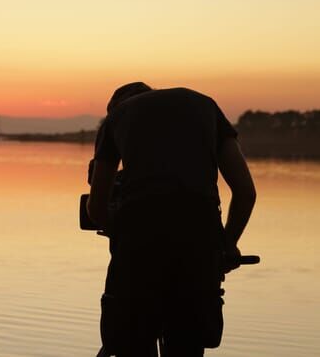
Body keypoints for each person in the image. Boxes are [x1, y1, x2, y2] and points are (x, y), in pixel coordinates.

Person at [87, 82, 256, 356]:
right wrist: (227, 244)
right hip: (198, 248)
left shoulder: (116, 118)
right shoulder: (205, 106)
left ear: (115, 107)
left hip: (137, 254)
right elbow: (245, 192)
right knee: (187, 345)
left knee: (130, 343)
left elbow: (96, 209)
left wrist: (121, 232)